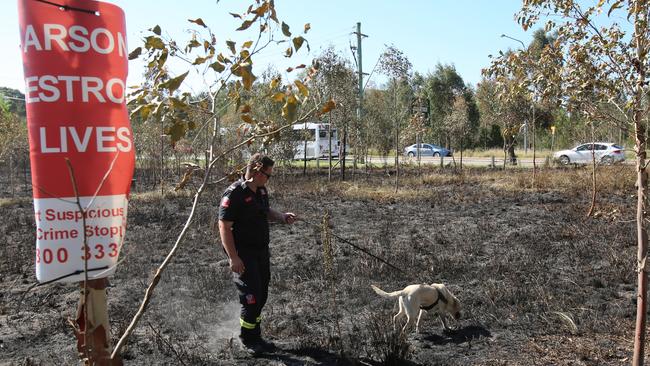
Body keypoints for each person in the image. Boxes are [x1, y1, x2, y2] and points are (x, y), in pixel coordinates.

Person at [217, 153, 296, 354]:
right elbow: (224, 226)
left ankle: (256, 335)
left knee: (261, 296)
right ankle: (247, 339)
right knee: (251, 298)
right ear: (255, 171)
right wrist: (233, 257)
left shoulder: (260, 191)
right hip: (243, 254)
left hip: (261, 252)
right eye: (267, 175)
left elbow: (265, 211)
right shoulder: (233, 194)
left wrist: (282, 216)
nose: (268, 179)